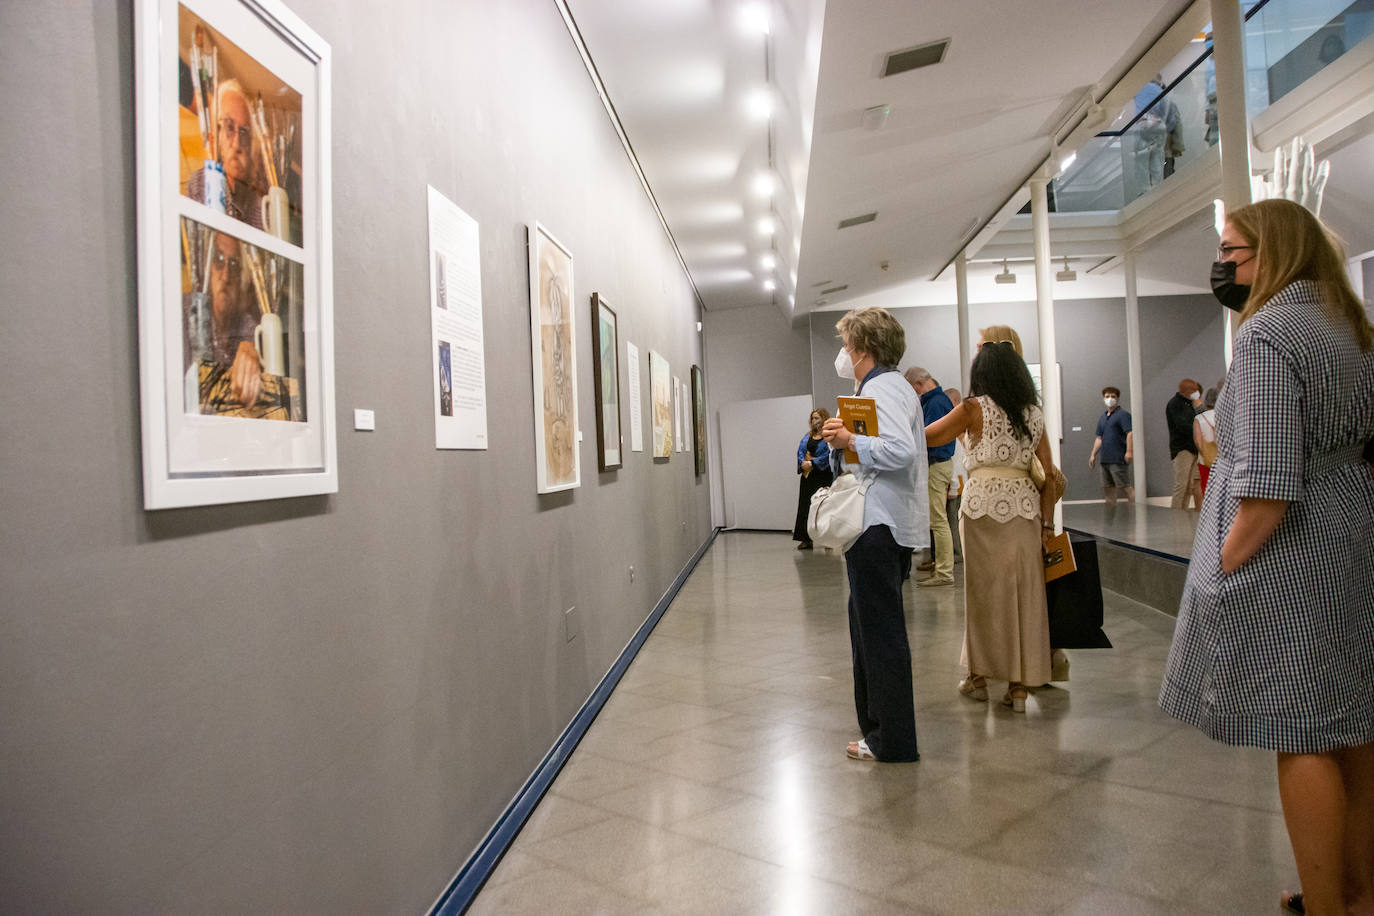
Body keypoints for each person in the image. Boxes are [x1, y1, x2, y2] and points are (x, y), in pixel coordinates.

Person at [1159, 198, 1374, 916]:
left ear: (1271, 252)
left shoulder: (1268, 334)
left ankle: (1324, 902)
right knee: (1356, 725)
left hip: (1294, 546)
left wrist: (1221, 568)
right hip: (1350, 525)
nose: (1222, 265)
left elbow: (1270, 486)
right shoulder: (1348, 322)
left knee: (1302, 727)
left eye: (1231, 251)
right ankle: (1356, 891)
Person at [926, 339, 1056, 714]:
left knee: (982, 596)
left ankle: (979, 679)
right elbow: (1048, 473)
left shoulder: (972, 409)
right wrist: (1047, 525)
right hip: (1024, 508)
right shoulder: (1033, 413)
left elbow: (932, 436)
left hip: (982, 507)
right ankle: (1018, 687)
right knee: (1023, 594)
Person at [820, 307, 925, 762]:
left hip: (878, 525)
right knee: (870, 629)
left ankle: (892, 739)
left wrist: (851, 442)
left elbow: (899, 452)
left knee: (879, 635)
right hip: (885, 523)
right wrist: (842, 442)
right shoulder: (887, 387)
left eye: (847, 345)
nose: (844, 353)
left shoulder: (882, 387)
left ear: (862, 348)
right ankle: (880, 730)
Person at [185, 230, 263, 411]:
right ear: (206, 267)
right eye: (218, 260)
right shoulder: (185, 311)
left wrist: (252, 353)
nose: (226, 276)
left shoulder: (246, 324)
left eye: (234, 265)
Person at [185, 80, 265, 231]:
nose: (236, 144)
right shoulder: (202, 183)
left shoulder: (261, 207)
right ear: (215, 134)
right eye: (229, 127)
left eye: (243, 132)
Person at [905, 367, 955, 587]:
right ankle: (939, 563)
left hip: (937, 464)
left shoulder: (934, 403)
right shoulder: (937, 401)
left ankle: (944, 571)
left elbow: (931, 437)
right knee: (937, 519)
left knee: (938, 520)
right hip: (937, 464)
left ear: (917, 384)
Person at [792, 408, 833, 550]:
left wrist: (813, 463)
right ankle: (805, 539)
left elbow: (830, 454)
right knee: (805, 506)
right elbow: (800, 451)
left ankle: (828, 539)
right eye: (812, 418)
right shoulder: (807, 436)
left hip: (823, 475)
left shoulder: (829, 435)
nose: (814, 421)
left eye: (816, 418)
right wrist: (803, 463)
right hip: (808, 476)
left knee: (824, 506)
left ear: (823, 419)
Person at [1089, 386, 1134, 503]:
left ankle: (1137, 512)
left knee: (1125, 487)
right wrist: (1093, 454)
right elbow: (1099, 438)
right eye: (1107, 396)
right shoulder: (1103, 417)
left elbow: (1130, 433)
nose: (1110, 399)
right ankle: (1110, 516)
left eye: (1113, 396)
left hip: (1118, 458)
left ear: (1118, 398)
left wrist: (1129, 451)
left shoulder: (1123, 415)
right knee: (1108, 489)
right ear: (1103, 398)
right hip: (1105, 459)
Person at [1166, 378, 1204, 509]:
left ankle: (1183, 511)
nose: (1196, 393)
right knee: (1181, 484)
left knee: (1189, 485)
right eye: (1193, 391)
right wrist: (1198, 430)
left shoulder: (1190, 404)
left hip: (1193, 448)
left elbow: (1202, 417)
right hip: (1182, 448)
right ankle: (1176, 513)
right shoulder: (1175, 404)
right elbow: (1182, 425)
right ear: (1185, 391)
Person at [1193, 387, 1219, 494]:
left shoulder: (1199, 418)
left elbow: (1198, 441)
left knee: (1206, 487)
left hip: (1205, 460)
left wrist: (1205, 453)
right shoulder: (1223, 416)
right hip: (1222, 459)